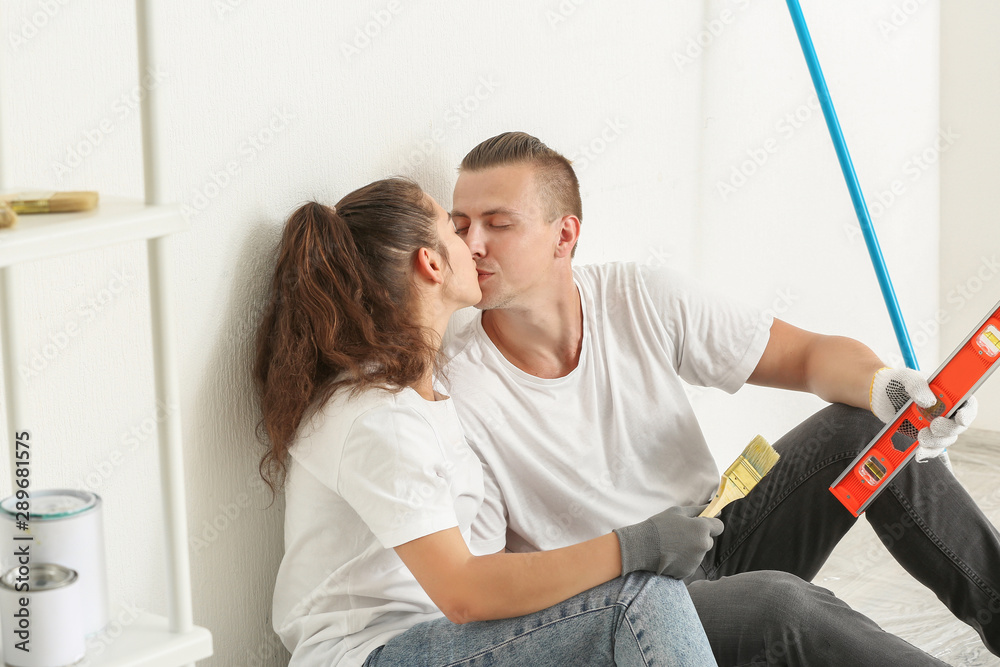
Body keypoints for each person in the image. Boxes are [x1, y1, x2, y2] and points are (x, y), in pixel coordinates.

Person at [438, 131, 1000, 666]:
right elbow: (483, 588)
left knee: (866, 430)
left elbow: (805, 355)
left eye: (497, 224)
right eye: (460, 225)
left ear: (564, 235)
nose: (472, 246)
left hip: (715, 536)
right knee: (781, 607)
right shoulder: (456, 388)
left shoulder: (637, 297)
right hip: (621, 609)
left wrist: (887, 388)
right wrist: (629, 555)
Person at [252, 177, 721, 667]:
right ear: (430, 263)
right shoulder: (376, 417)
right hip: (376, 654)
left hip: (452, 640)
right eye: (455, 231)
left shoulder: (426, 396)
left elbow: (484, 572)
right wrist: (638, 544)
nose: (473, 248)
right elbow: (463, 591)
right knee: (638, 602)